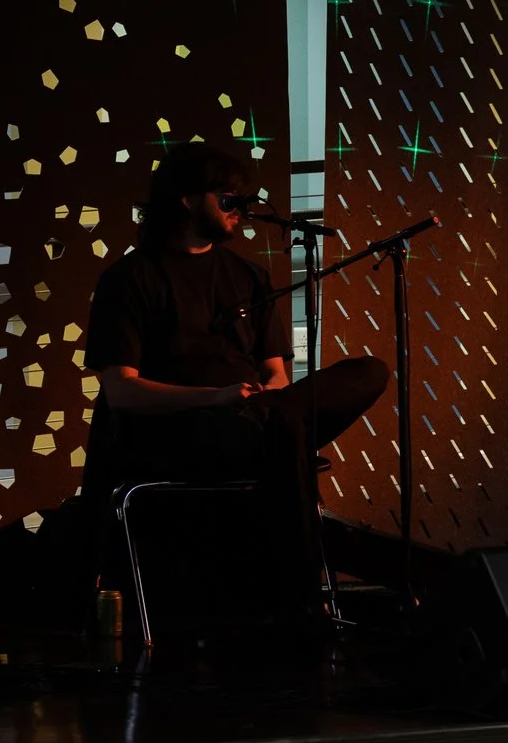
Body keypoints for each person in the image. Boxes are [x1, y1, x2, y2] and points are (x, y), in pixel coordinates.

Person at [85, 142, 390, 607]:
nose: (239, 210)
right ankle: (300, 604)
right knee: (286, 426)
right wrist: (217, 396)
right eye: (227, 199)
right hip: (179, 429)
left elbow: (275, 373)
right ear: (187, 200)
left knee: (368, 371)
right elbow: (122, 392)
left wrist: (262, 399)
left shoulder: (249, 275)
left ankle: (297, 602)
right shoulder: (129, 278)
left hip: (253, 419)